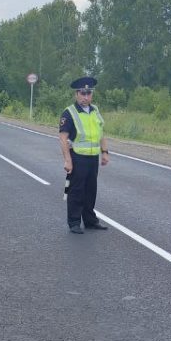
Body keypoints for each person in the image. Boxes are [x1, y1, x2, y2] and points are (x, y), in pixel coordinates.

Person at [58, 76, 110, 233]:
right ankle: (74, 222)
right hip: (78, 157)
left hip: (93, 158)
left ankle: (90, 220)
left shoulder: (95, 111)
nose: (86, 97)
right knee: (76, 190)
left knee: (90, 190)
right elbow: (63, 138)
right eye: (83, 93)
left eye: (89, 93)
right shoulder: (69, 112)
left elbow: (101, 133)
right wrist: (68, 160)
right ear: (76, 94)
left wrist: (105, 152)